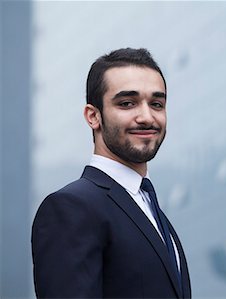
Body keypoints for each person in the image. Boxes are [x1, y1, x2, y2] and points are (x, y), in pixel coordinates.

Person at [31, 48, 191, 299]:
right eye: (127, 103)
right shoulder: (71, 208)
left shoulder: (153, 212)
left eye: (157, 104)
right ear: (93, 116)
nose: (147, 117)